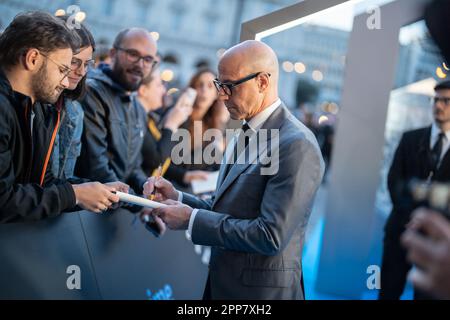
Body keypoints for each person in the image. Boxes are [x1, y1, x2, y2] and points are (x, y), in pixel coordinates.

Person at [142, 40, 324, 300]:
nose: (221, 95)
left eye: (229, 86)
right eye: (220, 85)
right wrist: (177, 197)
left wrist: (190, 219)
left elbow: (269, 235)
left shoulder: (296, 144)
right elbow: (227, 207)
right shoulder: (248, 130)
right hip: (224, 284)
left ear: (262, 82)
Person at [0, 11, 121, 222]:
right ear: (33, 58)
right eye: (64, 68)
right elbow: (4, 201)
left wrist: (92, 191)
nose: (67, 82)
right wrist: (75, 194)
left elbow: (40, 185)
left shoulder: (34, 108)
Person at [380, 80, 450, 299]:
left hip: (437, 246)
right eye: (436, 99)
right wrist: (412, 218)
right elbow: (394, 181)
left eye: (446, 101)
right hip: (399, 232)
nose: (439, 105)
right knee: (387, 292)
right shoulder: (410, 138)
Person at [75, 28, 156, 195]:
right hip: (88, 211)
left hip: (117, 209)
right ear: (113, 53)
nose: (140, 65)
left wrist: (148, 190)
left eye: (148, 59)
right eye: (133, 54)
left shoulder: (138, 108)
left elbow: (133, 168)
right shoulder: (92, 92)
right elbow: (96, 169)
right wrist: (139, 204)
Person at [50, 16, 95, 180]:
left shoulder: (74, 111)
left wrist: (106, 191)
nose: (82, 71)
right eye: (74, 61)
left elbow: (63, 178)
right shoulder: (33, 103)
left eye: (87, 63)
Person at [136, 68, 196, 186]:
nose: (164, 90)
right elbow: (155, 160)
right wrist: (171, 124)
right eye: (159, 85)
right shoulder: (136, 118)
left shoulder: (149, 118)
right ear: (143, 90)